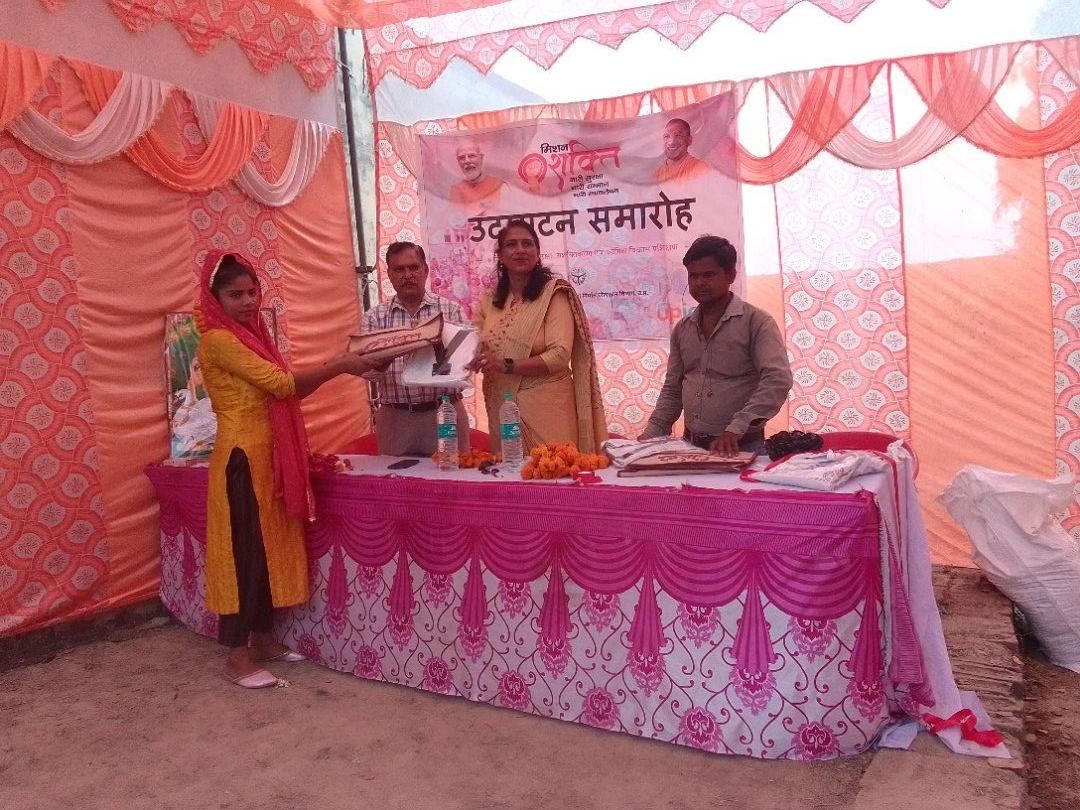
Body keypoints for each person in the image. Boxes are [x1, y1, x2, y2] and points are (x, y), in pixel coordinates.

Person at [197, 251, 369, 688]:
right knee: (245, 554)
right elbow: (281, 385)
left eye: (252, 292)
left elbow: (288, 389)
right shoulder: (218, 341)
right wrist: (339, 366)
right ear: (215, 299)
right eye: (235, 295)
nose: (247, 301)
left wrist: (339, 363)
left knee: (269, 548)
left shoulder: (253, 337)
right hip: (241, 460)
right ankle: (237, 656)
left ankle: (263, 638)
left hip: (267, 459)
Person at [640, 235, 792, 456]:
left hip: (741, 448)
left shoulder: (757, 322)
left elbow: (777, 380)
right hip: (690, 447)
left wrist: (737, 428)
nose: (699, 283)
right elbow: (673, 388)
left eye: (708, 275)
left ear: (730, 275)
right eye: (693, 276)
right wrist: (651, 434)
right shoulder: (683, 329)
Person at [470, 219, 607, 453]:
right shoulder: (490, 300)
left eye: (527, 244)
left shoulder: (554, 293)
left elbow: (559, 355)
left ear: (537, 252)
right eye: (512, 245)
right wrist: (469, 358)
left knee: (553, 470)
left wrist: (506, 366)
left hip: (549, 411)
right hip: (504, 409)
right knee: (509, 473)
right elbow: (475, 341)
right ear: (500, 255)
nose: (520, 250)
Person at [359, 242, 470, 456]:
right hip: (395, 418)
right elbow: (368, 374)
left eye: (413, 267)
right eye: (399, 269)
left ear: (425, 270)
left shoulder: (451, 310)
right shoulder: (374, 317)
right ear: (389, 274)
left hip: (445, 412)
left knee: (455, 475)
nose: (407, 275)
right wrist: (396, 348)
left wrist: (438, 348)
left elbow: (465, 367)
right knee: (394, 478)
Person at [449, 140, 506, 205]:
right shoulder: (456, 190)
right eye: (462, 158)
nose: (467, 161)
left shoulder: (499, 186)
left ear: (481, 158)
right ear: (458, 161)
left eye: (471, 156)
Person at [654, 118, 709, 184]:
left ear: (689, 140)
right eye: (666, 136)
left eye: (678, 135)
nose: (671, 142)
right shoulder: (657, 174)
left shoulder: (701, 170)